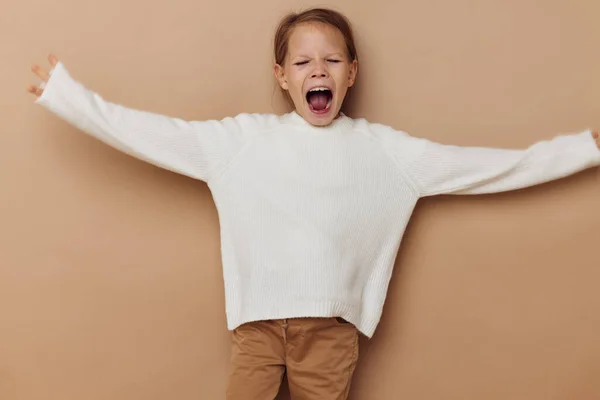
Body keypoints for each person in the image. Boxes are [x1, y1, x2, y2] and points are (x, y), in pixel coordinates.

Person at [26, 7, 600, 400]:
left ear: (352, 73)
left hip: (328, 330)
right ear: (281, 76)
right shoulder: (241, 141)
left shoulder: (387, 152)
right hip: (255, 329)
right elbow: (152, 133)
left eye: (331, 61)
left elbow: (490, 167)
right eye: (302, 63)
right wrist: (69, 98)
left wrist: (584, 148)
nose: (317, 71)